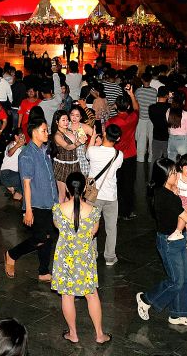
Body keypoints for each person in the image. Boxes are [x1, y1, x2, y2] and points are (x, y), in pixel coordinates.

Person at [52, 172, 110, 344]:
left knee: (67, 296)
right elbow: (93, 232)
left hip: (64, 256)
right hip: (84, 256)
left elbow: (58, 228)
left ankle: (73, 334)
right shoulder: (94, 211)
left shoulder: (57, 210)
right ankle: (99, 334)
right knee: (92, 294)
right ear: (85, 188)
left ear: (68, 189)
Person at [137, 158, 187, 327]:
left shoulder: (168, 191)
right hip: (169, 242)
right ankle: (146, 299)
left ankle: (179, 314)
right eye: (172, 173)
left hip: (180, 238)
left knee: (185, 279)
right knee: (176, 281)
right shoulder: (165, 196)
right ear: (164, 176)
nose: (176, 175)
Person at [5, 116, 58, 282]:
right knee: (41, 237)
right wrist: (27, 210)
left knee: (49, 237)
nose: (47, 133)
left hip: (50, 201)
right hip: (36, 203)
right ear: (34, 133)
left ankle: (43, 271)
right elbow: (26, 184)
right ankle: (12, 254)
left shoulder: (44, 150)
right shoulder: (27, 154)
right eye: (44, 130)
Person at [85, 124, 123, 266]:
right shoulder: (119, 155)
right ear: (118, 138)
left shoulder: (93, 151)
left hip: (93, 195)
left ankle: (92, 253)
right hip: (111, 196)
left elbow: (87, 154)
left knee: (91, 225)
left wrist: (93, 137)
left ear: (105, 133)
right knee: (111, 227)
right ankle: (110, 257)